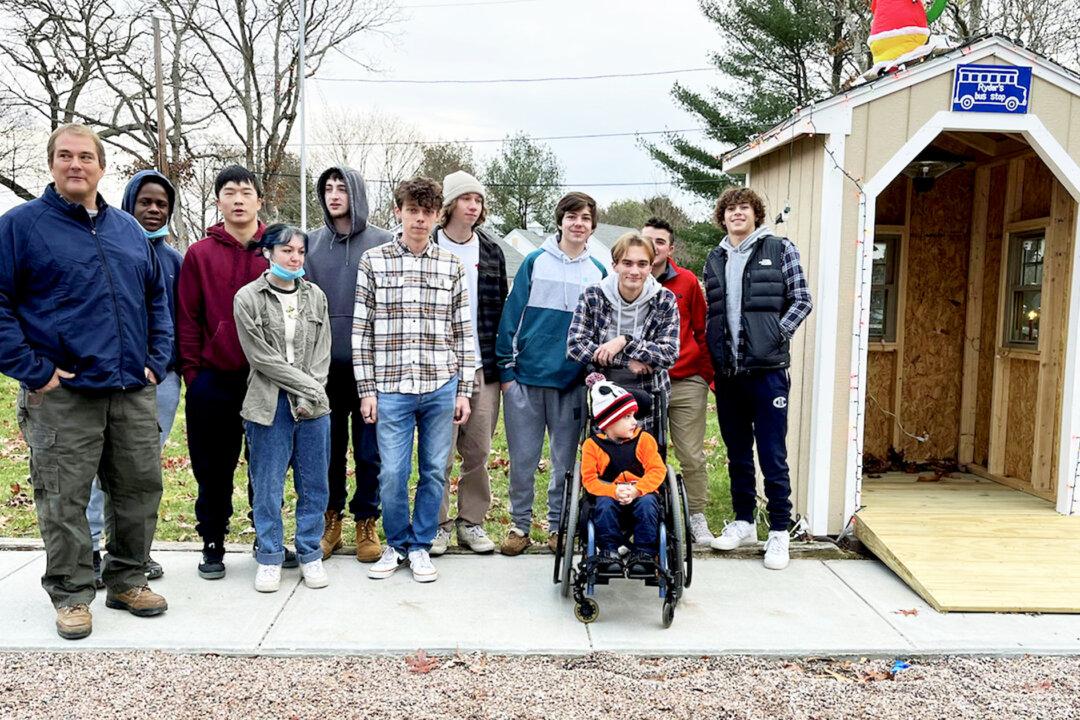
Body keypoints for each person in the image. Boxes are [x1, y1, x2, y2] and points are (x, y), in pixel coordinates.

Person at [0, 124, 171, 639]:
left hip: (130, 389)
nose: (76, 165)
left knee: (139, 489)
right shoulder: (21, 227)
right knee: (64, 497)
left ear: (102, 165)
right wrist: (35, 370)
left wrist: (155, 360)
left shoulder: (127, 230)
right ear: (51, 164)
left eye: (86, 157)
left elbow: (156, 301)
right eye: (65, 156)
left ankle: (126, 578)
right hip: (63, 395)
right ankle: (73, 593)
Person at [353, 177, 473, 583]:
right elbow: (361, 331)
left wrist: (464, 390)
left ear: (437, 215)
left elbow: (463, 331)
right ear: (399, 211)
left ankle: (421, 545)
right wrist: (366, 390)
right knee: (392, 472)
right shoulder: (374, 261)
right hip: (390, 387)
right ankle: (397, 543)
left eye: (427, 212)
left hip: (440, 384)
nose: (420, 219)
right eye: (412, 210)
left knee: (436, 469)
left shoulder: (450, 265)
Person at [178, 165, 287, 580]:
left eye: (245, 191)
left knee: (268, 466)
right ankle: (213, 540)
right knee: (213, 466)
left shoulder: (278, 250)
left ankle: (267, 538)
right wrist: (194, 376)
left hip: (267, 380)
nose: (238, 199)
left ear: (259, 200)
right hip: (215, 379)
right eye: (229, 192)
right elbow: (187, 318)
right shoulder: (199, 254)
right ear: (219, 201)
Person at [703, 187, 813, 570]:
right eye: (730, 209)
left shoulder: (780, 249)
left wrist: (774, 336)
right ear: (723, 216)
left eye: (744, 208)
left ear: (756, 214)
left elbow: (802, 300)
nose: (737, 214)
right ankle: (744, 522)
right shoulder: (715, 257)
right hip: (728, 373)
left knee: (771, 452)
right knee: (737, 453)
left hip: (767, 374)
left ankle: (779, 531)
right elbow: (711, 312)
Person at [496, 191, 608, 556]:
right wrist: (507, 372)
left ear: (592, 227)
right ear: (560, 220)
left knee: (565, 461)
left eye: (586, 218)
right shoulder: (534, 262)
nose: (578, 224)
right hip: (526, 381)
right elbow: (511, 317)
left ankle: (560, 525)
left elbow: (602, 329)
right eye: (572, 216)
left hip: (571, 383)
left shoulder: (598, 272)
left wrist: (590, 375)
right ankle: (520, 525)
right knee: (523, 460)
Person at [86, 170, 182, 587]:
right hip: (101, 379)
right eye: (146, 201)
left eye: (162, 203)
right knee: (94, 468)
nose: (154, 209)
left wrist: (160, 365)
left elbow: (175, 320)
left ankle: (129, 554)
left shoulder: (176, 260)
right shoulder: (104, 246)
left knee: (138, 473)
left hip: (156, 381)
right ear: (129, 203)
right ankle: (88, 548)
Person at [234, 224, 332, 592]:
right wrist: (307, 386)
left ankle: (310, 553)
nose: (294, 257)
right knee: (268, 484)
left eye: (300, 252)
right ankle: (270, 556)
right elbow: (261, 357)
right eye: (286, 250)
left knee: (314, 484)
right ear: (268, 252)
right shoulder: (248, 297)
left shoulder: (316, 296)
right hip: (267, 404)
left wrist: (315, 390)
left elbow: (323, 349)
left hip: (314, 407)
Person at [305, 166, 392, 563]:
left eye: (342, 188)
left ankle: (366, 520)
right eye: (327, 188)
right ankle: (331, 520)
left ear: (356, 192)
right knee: (329, 449)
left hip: (370, 369)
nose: (334, 195)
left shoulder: (382, 243)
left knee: (370, 451)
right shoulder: (310, 244)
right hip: (324, 370)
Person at [429, 171, 507, 556]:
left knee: (477, 450)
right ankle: (439, 524)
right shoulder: (428, 244)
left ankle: (471, 522)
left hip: (482, 366)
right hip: (438, 367)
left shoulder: (491, 251)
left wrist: (502, 366)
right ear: (450, 205)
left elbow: (502, 312)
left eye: (478, 200)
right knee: (439, 451)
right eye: (465, 199)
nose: (473, 206)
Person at [644, 217, 716, 544]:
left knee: (690, 453)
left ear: (670, 248)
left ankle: (695, 515)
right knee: (644, 451)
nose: (653, 246)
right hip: (644, 381)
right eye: (648, 240)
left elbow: (701, 331)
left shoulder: (686, 282)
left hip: (686, 380)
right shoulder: (628, 277)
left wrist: (704, 375)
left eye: (660, 241)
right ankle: (650, 512)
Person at [567, 231, 679, 437]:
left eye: (642, 264)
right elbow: (575, 346)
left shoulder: (664, 300)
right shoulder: (593, 295)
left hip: (648, 391)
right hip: (604, 390)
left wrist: (625, 341)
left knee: (644, 457)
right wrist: (626, 361)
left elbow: (670, 353)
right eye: (627, 263)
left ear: (651, 266)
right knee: (603, 458)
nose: (634, 271)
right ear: (615, 265)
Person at [580, 375, 665, 576]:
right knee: (604, 504)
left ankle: (644, 554)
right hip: (609, 495)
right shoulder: (592, 446)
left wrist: (637, 490)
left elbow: (657, 470)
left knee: (647, 504)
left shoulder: (645, 440)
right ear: (609, 422)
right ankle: (609, 552)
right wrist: (614, 491)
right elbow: (589, 480)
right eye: (627, 417)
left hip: (641, 493)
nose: (634, 421)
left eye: (634, 416)